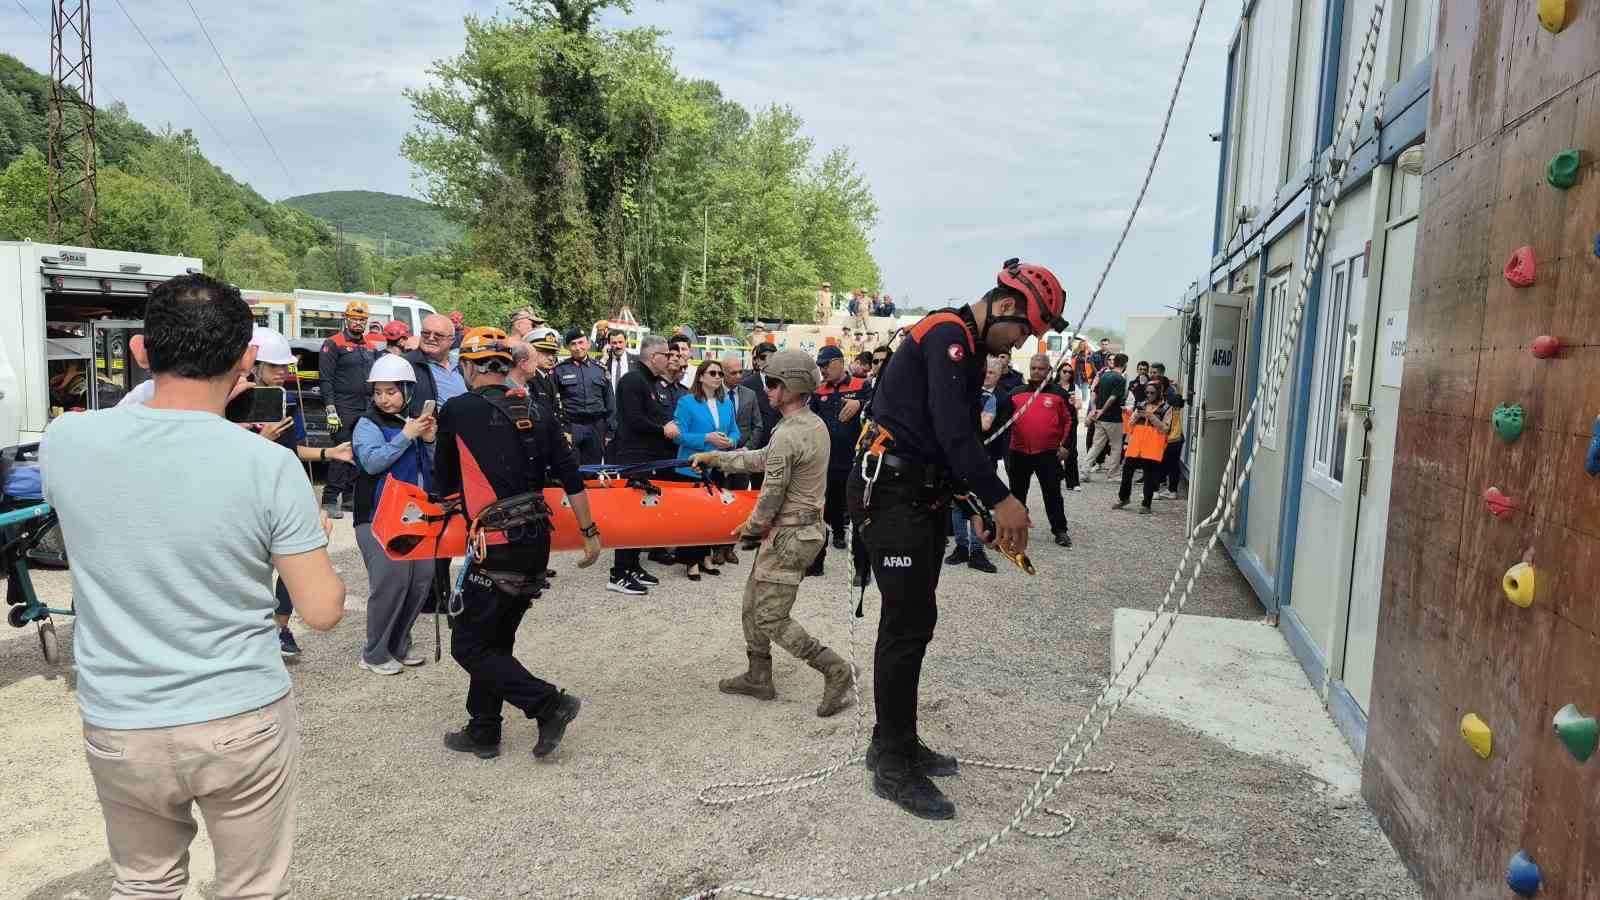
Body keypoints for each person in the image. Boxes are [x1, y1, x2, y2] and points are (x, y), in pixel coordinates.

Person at [41, 273, 344, 898]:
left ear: (141, 353)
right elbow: (321, 610)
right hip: (239, 714)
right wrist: (312, 537)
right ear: (247, 360)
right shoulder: (266, 464)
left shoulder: (65, 440)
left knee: (144, 884)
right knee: (251, 888)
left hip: (120, 718)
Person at [848, 257, 1066, 820]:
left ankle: (892, 739)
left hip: (915, 492)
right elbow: (951, 434)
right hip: (890, 492)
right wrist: (1000, 497)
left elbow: (951, 441)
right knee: (905, 623)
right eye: (1024, 331)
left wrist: (972, 504)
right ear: (1007, 305)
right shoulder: (948, 335)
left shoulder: (965, 346)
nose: (1020, 345)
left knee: (915, 621)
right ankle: (894, 761)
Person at [432, 327, 602, 760]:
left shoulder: (457, 411)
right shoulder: (541, 410)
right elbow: (571, 477)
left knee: (468, 645)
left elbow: (443, 484)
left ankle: (549, 704)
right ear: (506, 367)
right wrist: (589, 535)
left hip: (496, 544)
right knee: (494, 639)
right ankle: (483, 729)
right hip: (534, 542)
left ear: (469, 367)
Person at [689, 350, 853, 717]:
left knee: (770, 617)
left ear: (792, 386)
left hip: (790, 536)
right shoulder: (807, 425)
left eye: (773, 383)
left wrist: (751, 528)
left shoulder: (792, 433)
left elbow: (772, 491)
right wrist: (719, 459)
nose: (768, 389)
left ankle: (835, 669)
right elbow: (764, 458)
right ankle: (758, 676)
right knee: (751, 605)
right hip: (791, 532)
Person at [247, 327, 353, 657]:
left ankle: (280, 627)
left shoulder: (287, 403)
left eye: (284, 367)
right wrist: (260, 439)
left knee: (298, 559)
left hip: (283, 493)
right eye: (275, 366)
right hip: (248, 497)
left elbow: (294, 450)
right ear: (254, 364)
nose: (282, 373)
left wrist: (328, 454)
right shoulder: (231, 405)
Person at [353, 354, 437, 675]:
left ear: (407, 391)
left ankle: (399, 644)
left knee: (421, 579)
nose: (384, 399)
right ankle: (374, 653)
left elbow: (433, 469)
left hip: (414, 513)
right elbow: (372, 462)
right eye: (378, 392)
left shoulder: (414, 421)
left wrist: (429, 441)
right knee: (391, 582)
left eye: (391, 391)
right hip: (376, 516)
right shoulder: (366, 424)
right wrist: (407, 437)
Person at [607, 335, 680, 595]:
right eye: (666, 355)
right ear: (652, 356)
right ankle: (618, 573)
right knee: (630, 516)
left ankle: (633, 564)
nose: (670, 359)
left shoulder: (650, 382)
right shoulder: (632, 380)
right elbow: (635, 420)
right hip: (633, 457)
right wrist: (663, 429)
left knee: (643, 515)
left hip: (649, 457)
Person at [672, 359, 739, 579]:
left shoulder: (726, 402)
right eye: (713, 373)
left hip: (717, 465)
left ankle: (707, 557)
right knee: (692, 517)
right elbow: (679, 435)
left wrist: (731, 442)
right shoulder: (686, 402)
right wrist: (706, 438)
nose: (718, 377)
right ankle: (691, 561)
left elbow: (735, 431)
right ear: (701, 376)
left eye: (720, 373)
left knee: (712, 514)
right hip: (692, 466)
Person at [808, 345, 870, 582]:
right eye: (820, 365)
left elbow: (878, 412)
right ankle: (816, 562)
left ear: (839, 362)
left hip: (855, 464)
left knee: (859, 518)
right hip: (825, 465)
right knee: (819, 517)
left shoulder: (861, 386)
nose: (822, 369)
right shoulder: (818, 391)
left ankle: (862, 569)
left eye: (826, 364)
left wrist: (861, 405)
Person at [1006, 353, 1074, 547]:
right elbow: (1002, 421)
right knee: (1017, 493)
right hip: (1019, 452)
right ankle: (1015, 529)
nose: (1036, 372)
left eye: (1040, 369)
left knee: (1052, 493)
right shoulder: (1016, 393)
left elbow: (1070, 422)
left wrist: (1066, 446)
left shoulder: (1059, 394)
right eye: (1033, 368)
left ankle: (1060, 530)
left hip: (1048, 453)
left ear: (1049, 370)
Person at [318, 299, 377, 517]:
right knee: (341, 451)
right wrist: (330, 409)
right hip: (342, 406)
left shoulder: (370, 346)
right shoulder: (333, 344)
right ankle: (330, 499)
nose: (358, 323)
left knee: (360, 452)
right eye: (354, 318)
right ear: (346, 318)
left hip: (367, 406)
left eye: (362, 319)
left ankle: (350, 497)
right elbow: (326, 379)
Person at [946, 356, 1003, 574]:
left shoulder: (991, 398)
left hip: (979, 458)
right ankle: (961, 546)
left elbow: (985, 424)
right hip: (958, 456)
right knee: (958, 504)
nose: (986, 376)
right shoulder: (966, 393)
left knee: (978, 503)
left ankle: (977, 550)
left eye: (991, 373)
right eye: (985, 372)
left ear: (998, 376)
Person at [554, 327, 613, 466]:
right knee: (571, 468)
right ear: (568, 347)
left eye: (581, 342)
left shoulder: (600, 369)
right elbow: (554, 403)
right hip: (572, 426)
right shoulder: (559, 370)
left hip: (596, 427)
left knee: (593, 469)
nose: (578, 347)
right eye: (573, 344)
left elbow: (610, 402)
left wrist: (610, 431)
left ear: (588, 344)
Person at [1116, 377, 1173, 514]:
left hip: (1152, 446)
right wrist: (1136, 416)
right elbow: (1130, 424)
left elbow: (1165, 429)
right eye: (1147, 392)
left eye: (1152, 393)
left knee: (1149, 476)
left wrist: (1150, 416)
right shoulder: (1141, 404)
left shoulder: (1167, 408)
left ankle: (1146, 504)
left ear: (1159, 393)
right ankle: (1123, 498)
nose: (1149, 395)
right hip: (1136, 444)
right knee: (1127, 471)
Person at [402, 313, 467, 417]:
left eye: (438, 335)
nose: (431, 338)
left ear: (452, 340)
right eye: (426, 333)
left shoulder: (461, 365)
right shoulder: (406, 364)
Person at [1084, 353, 1128, 481]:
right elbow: (1113, 397)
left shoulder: (1104, 376)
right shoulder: (1120, 379)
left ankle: (1084, 471)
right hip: (1113, 418)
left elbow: (1094, 393)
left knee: (1096, 445)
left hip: (1100, 417)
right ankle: (1112, 474)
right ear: (1124, 364)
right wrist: (1102, 410)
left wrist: (1095, 410)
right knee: (1116, 446)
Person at [1056, 360, 1082, 492]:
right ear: (1059, 372)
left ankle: (1073, 482)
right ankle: (1057, 475)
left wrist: (1073, 402)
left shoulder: (1074, 387)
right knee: (1053, 450)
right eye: (1064, 371)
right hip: (1055, 421)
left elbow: (1079, 405)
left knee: (1071, 451)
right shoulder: (1053, 387)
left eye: (1069, 372)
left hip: (1071, 421)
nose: (1067, 374)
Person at [603, 328, 636, 394]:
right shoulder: (603, 361)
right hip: (610, 403)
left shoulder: (636, 361)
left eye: (620, 342)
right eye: (614, 343)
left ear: (626, 341)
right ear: (609, 344)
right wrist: (604, 359)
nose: (618, 346)